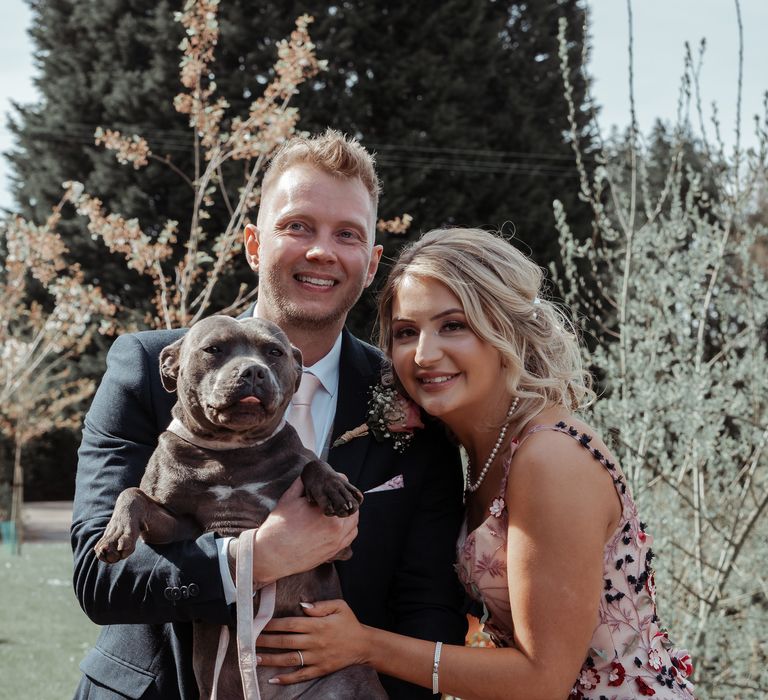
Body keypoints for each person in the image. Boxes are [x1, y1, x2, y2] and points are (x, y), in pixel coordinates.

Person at [71, 131, 468, 699]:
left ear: (372, 261)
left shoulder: (412, 397)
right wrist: (249, 560)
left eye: (347, 234)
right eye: (297, 226)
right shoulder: (146, 368)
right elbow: (98, 577)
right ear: (255, 244)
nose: (320, 251)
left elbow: (428, 601)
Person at [257, 228, 697, 700]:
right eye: (407, 332)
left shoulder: (550, 457)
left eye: (454, 325)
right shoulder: (479, 450)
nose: (425, 355)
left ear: (505, 326)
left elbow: (542, 677)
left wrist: (364, 645)